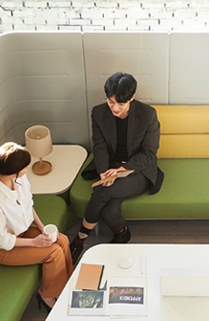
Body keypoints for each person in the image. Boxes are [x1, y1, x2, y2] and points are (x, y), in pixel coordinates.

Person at [70, 72, 164, 264]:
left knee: (102, 191)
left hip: (138, 170)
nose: (114, 107)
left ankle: (79, 239)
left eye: (120, 103)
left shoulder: (148, 114)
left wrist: (120, 172)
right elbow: (100, 147)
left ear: (132, 97)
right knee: (108, 212)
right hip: (110, 166)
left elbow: (149, 154)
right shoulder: (99, 113)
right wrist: (103, 172)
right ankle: (122, 234)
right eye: (111, 102)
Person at [0, 142, 73, 312]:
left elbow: (28, 204)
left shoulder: (18, 179)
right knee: (53, 252)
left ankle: (68, 287)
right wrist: (35, 242)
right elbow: (1, 240)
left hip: (21, 232)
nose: (28, 168)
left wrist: (42, 227)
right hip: (2, 248)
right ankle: (47, 295)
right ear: (13, 170)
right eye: (25, 166)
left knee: (62, 240)